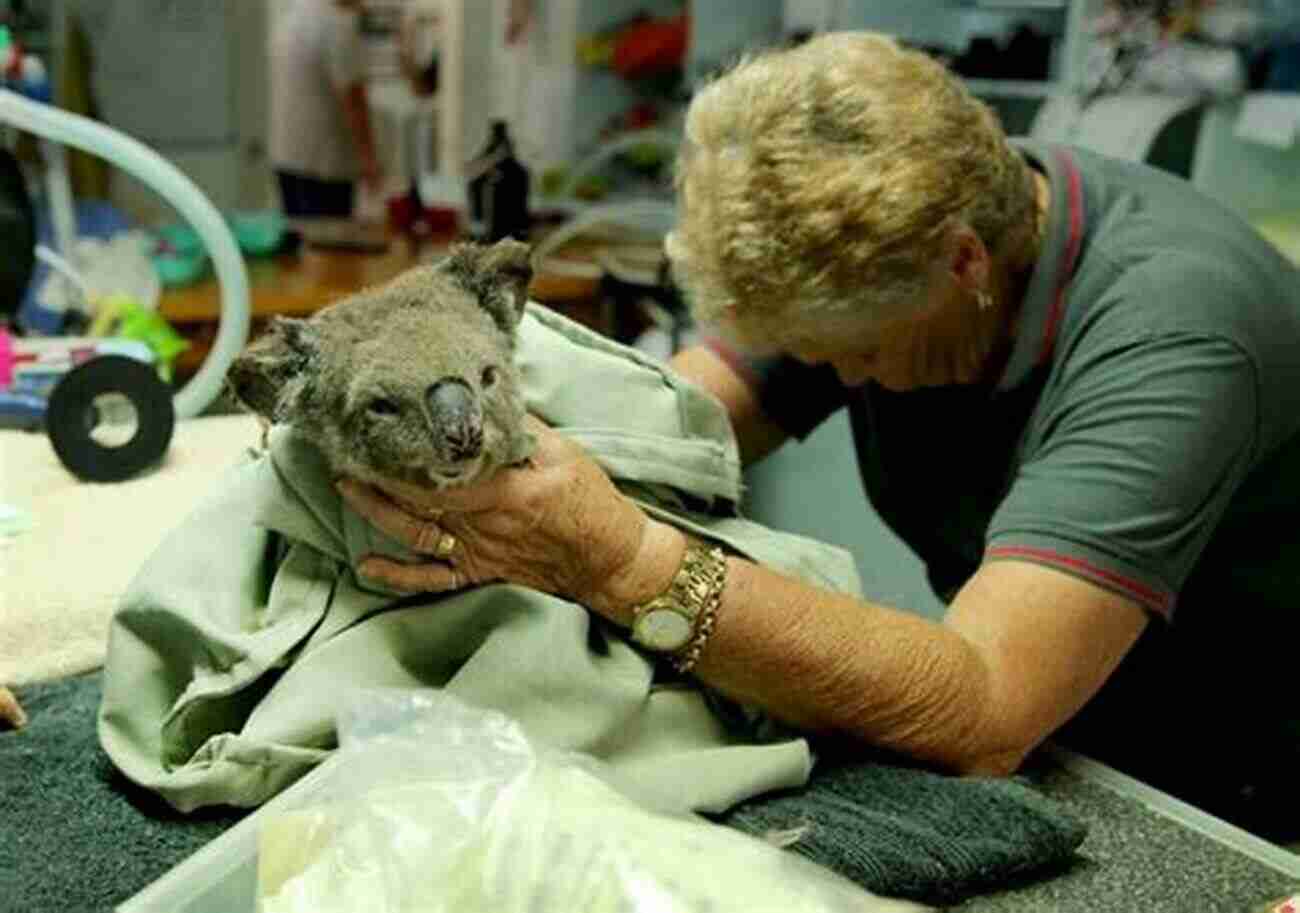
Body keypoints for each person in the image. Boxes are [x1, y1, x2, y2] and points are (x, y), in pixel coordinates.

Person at [338, 32, 1300, 840]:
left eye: (853, 355)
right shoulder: (894, 225)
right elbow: (664, 429)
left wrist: (624, 560)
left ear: (962, 262)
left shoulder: (1176, 332)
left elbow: (986, 704)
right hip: (1068, 732)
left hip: (1234, 776)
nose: (833, 378)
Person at [268, 0, 382, 218]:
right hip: (325, 167)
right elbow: (354, 99)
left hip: (287, 160)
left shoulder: (292, 17)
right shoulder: (338, 25)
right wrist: (369, 161)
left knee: (302, 244)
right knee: (329, 247)